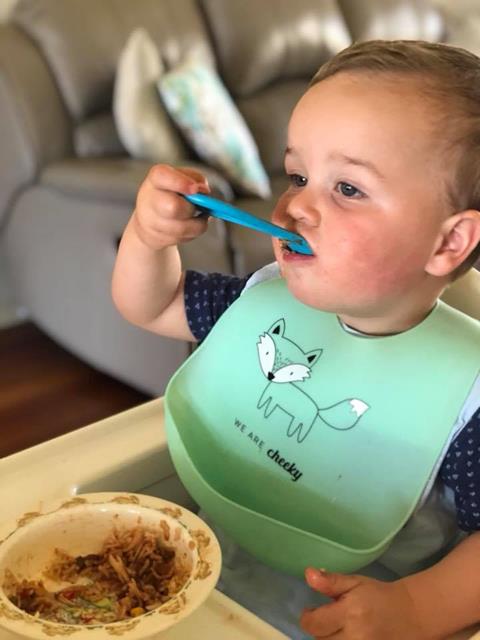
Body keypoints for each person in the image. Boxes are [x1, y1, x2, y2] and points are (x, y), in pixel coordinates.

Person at [112, 40, 480, 639]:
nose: (293, 207)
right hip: (195, 580)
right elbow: (154, 304)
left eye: (348, 189)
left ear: (447, 243)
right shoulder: (267, 303)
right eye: (298, 176)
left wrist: (417, 608)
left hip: (346, 617)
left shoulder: (465, 398)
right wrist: (148, 238)